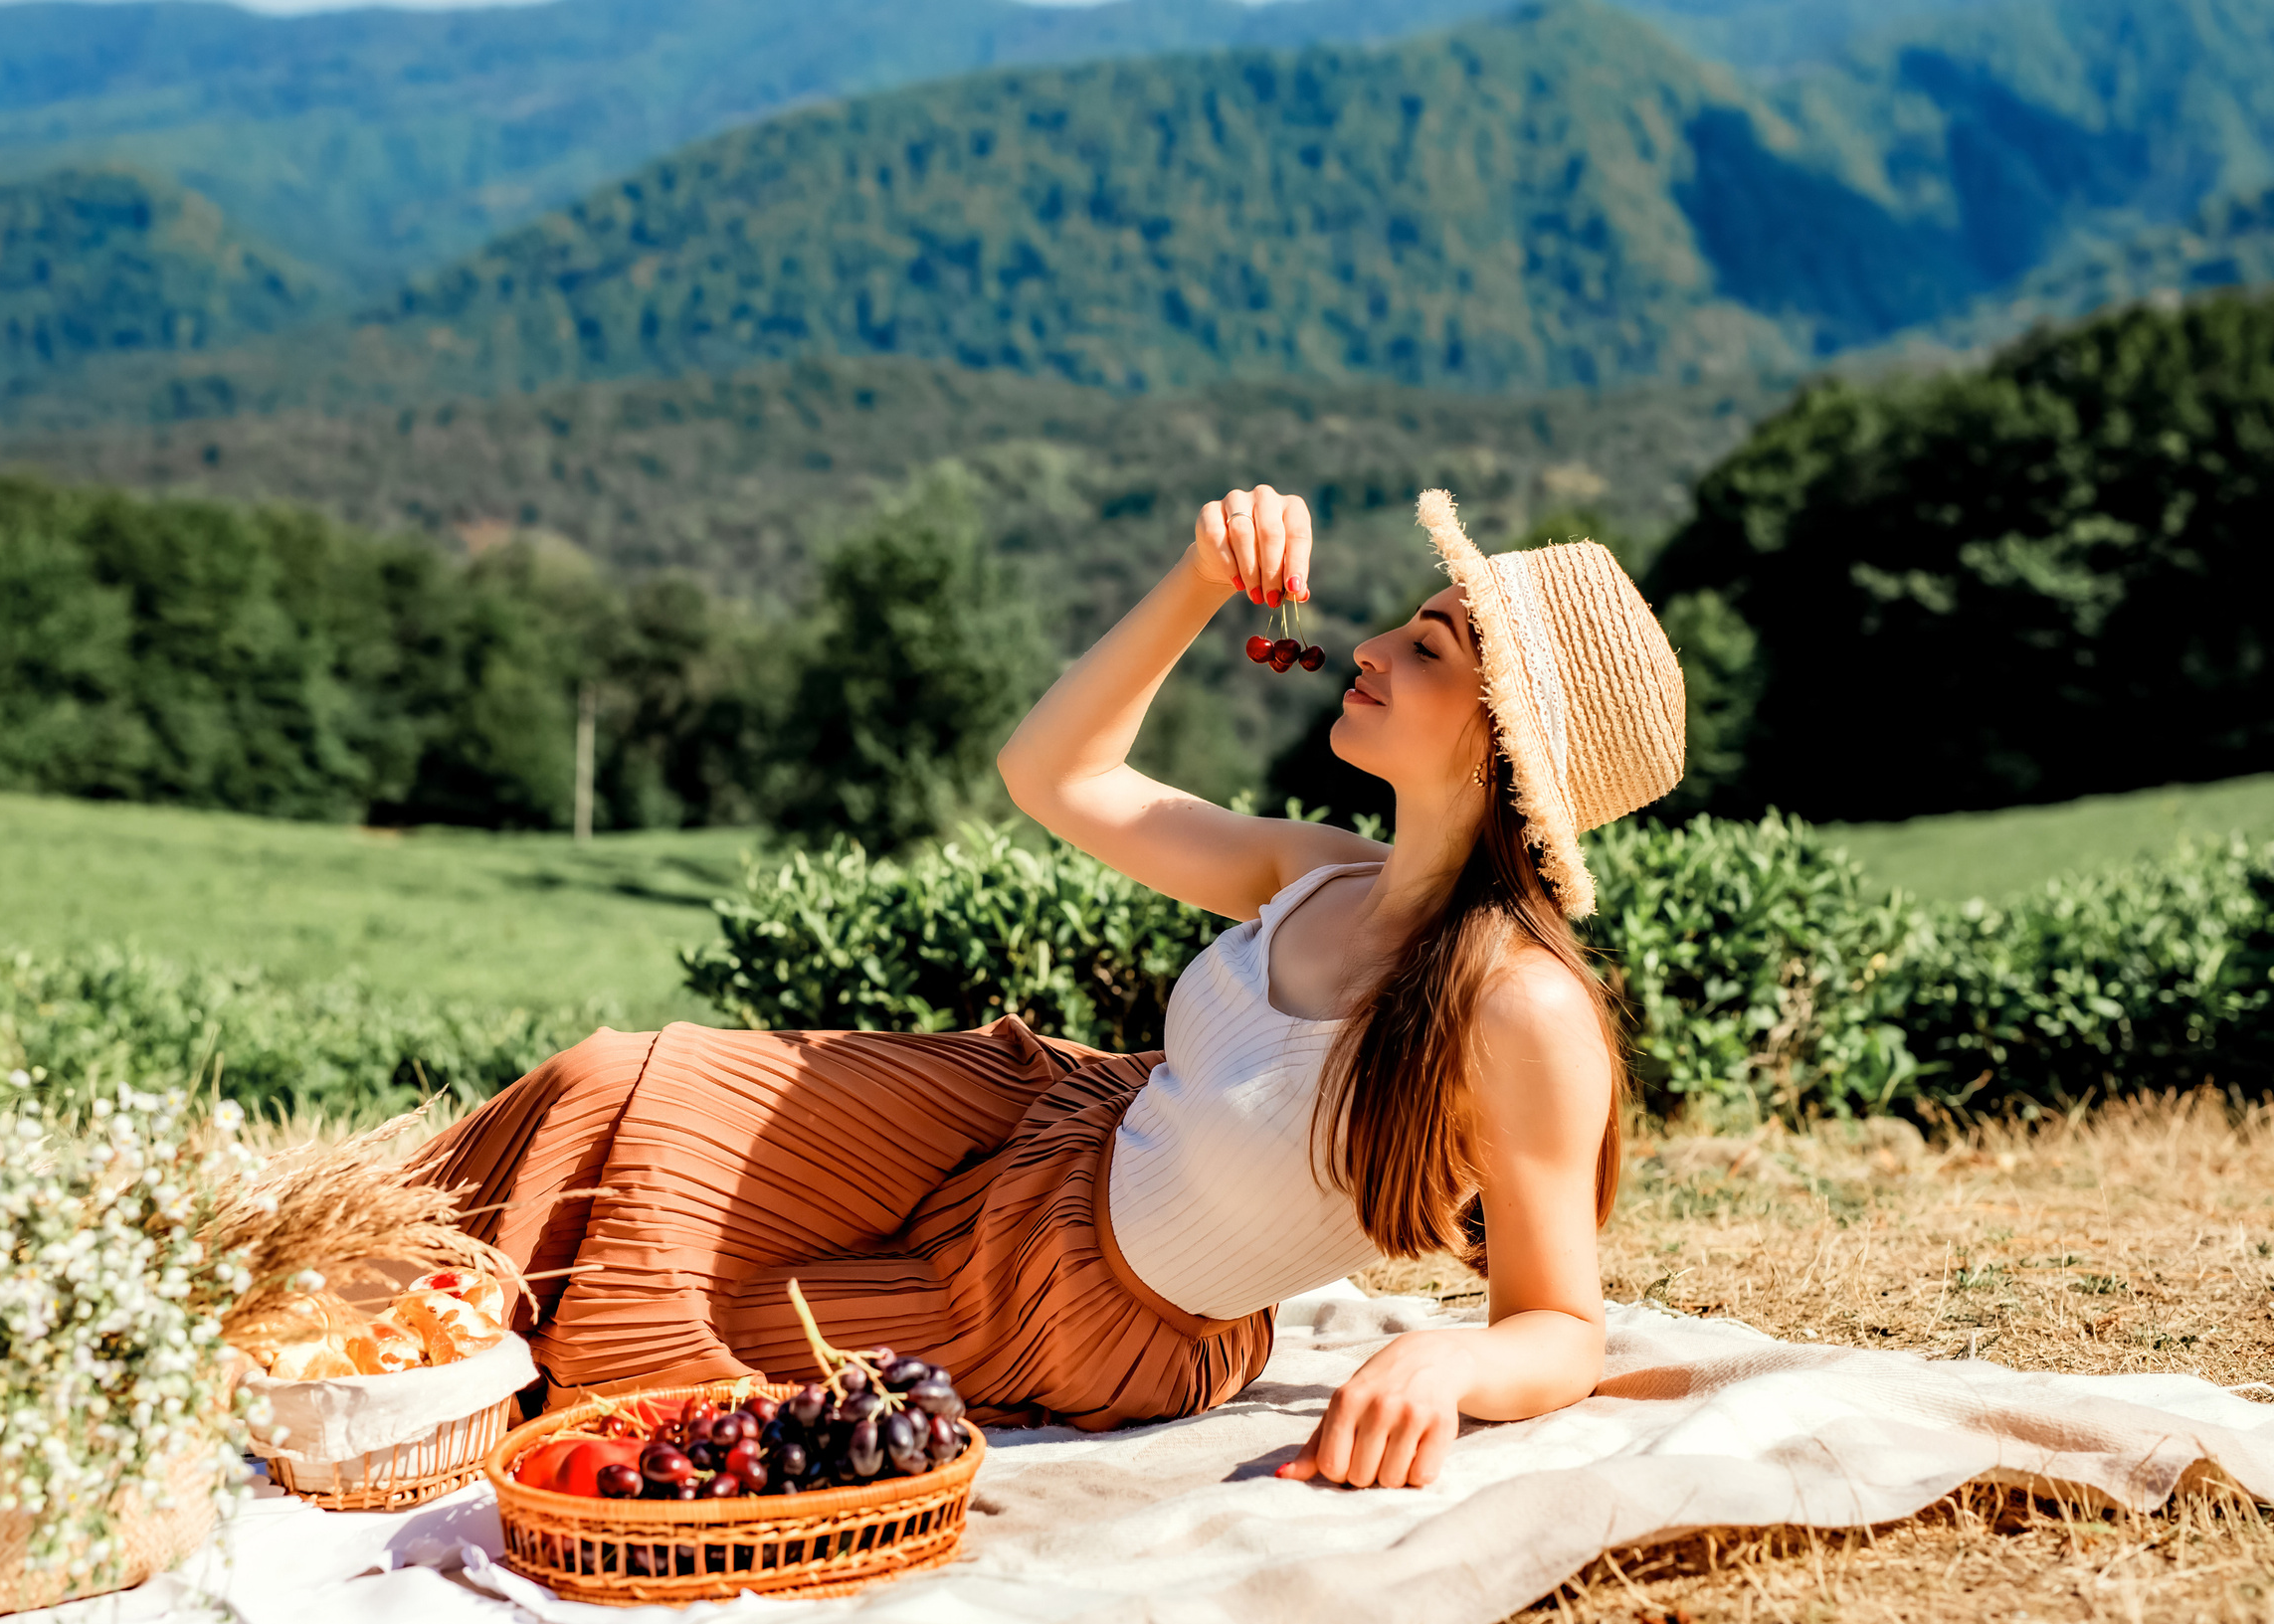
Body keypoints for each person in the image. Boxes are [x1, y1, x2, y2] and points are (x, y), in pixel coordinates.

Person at [412, 486, 1686, 1489]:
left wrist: (1445, 1361)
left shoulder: (1522, 1010)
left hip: (1084, 1304)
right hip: (1040, 1114)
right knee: (618, 1086)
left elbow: (1560, 1322)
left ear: (1500, 741)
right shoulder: (1319, 871)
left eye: (1424, 647)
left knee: (617, 1352)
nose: (1363, 647)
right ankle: (330, 1290)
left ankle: (375, 1372)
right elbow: (1054, 773)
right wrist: (1198, 578)